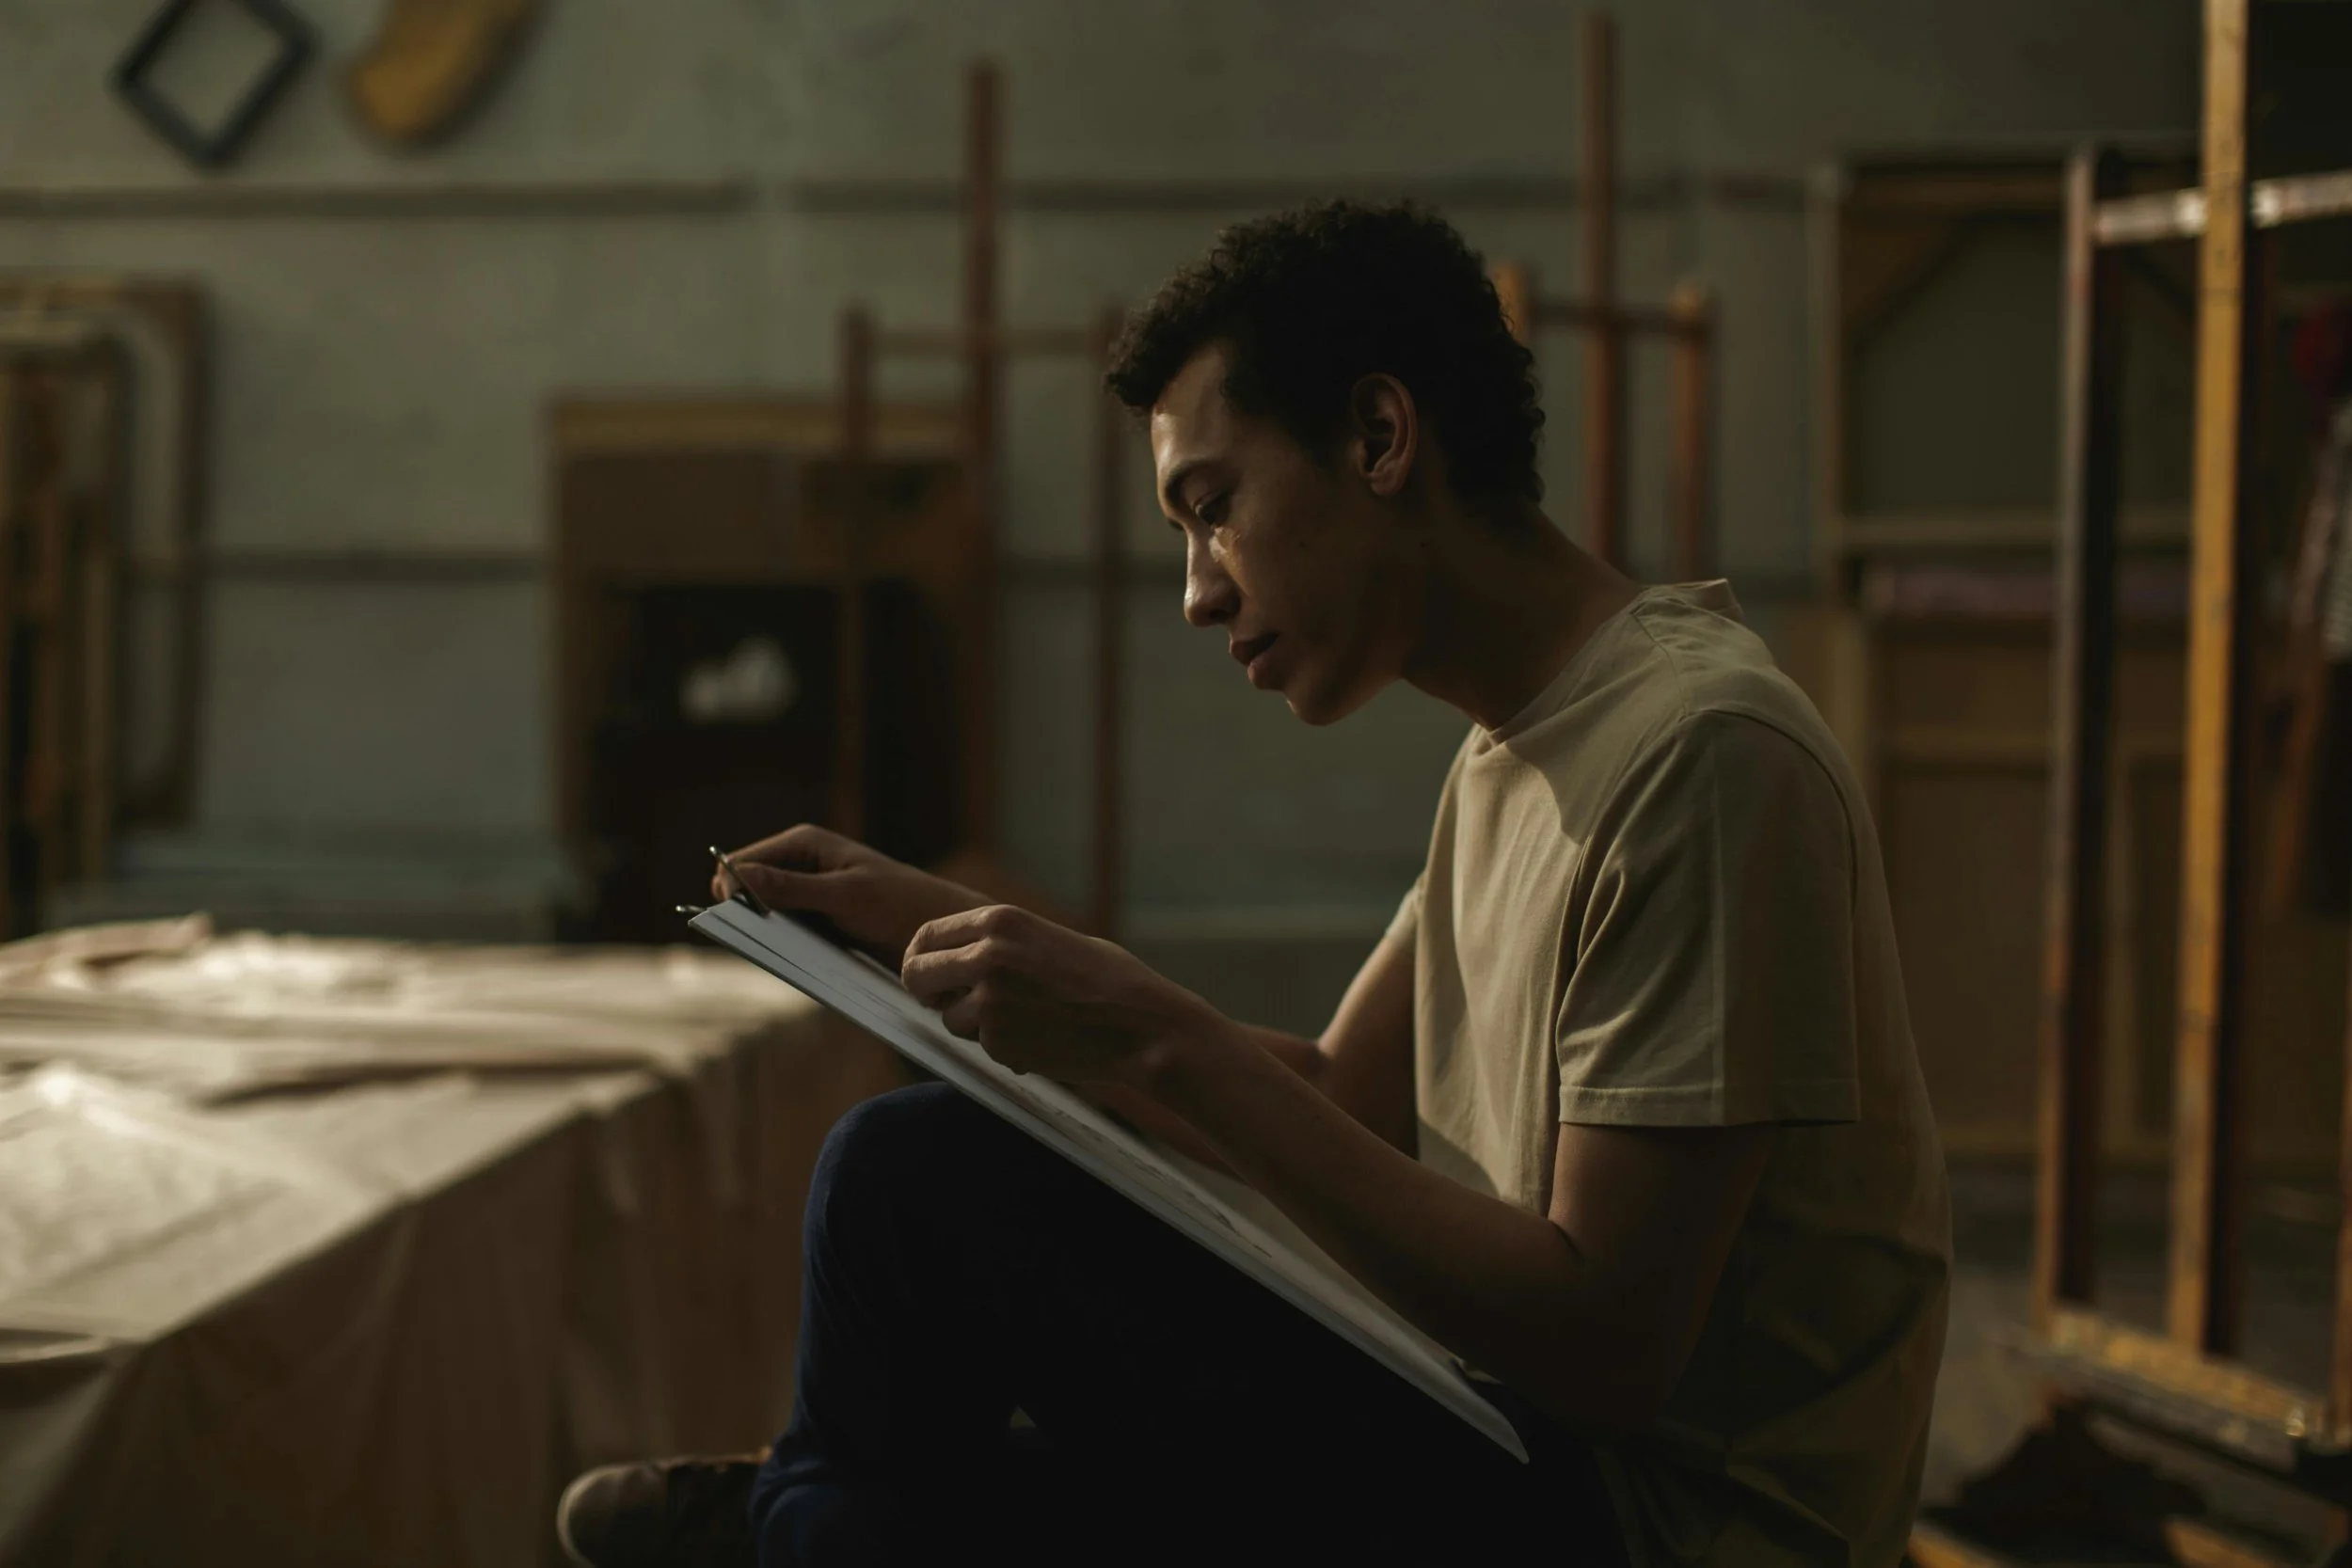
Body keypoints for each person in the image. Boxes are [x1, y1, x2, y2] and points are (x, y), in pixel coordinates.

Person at [557, 201, 1949, 1568]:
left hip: (1645, 1522)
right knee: (921, 1436)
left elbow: (1606, 1347)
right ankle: (811, 1511)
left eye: (1213, 509)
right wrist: (932, 921)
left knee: (913, 1183)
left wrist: (1154, 1030)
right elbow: (1342, 1094)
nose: (1196, 592)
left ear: (1380, 436)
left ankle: (795, 1514)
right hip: (1513, 1446)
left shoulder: (1701, 753)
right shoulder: (1518, 749)